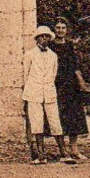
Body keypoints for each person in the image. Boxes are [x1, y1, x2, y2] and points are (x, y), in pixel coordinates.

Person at [23, 24, 70, 164]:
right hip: (34, 92)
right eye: (42, 37)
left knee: (55, 121)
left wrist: (47, 86)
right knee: (37, 122)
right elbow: (26, 75)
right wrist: (31, 89)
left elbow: (53, 74)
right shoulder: (29, 55)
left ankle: (63, 153)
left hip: (49, 91)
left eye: (47, 37)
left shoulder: (53, 56)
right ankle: (40, 155)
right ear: (37, 39)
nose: (44, 39)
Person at [52, 18, 90, 162]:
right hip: (56, 84)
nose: (60, 30)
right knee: (59, 116)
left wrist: (81, 82)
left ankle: (74, 148)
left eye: (63, 27)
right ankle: (62, 150)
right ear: (54, 30)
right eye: (58, 27)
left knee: (74, 115)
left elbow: (75, 66)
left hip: (71, 85)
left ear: (67, 30)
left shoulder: (70, 45)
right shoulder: (50, 46)